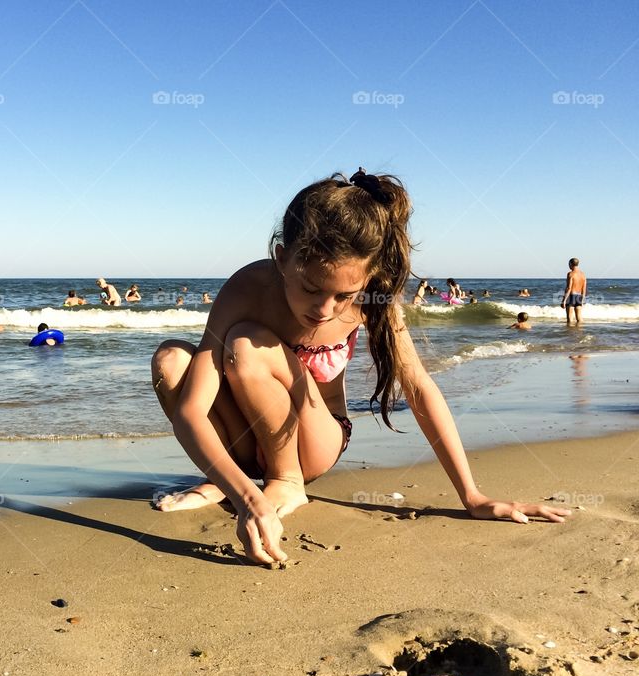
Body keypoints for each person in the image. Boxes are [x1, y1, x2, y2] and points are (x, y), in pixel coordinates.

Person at [150, 169, 569, 565]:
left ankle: (287, 482)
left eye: (345, 295)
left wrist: (472, 496)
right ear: (282, 258)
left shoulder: (374, 302)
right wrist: (244, 496)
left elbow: (419, 387)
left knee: (246, 344)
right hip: (246, 441)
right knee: (172, 359)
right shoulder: (248, 288)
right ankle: (228, 480)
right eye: (311, 288)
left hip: (316, 438)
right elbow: (191, 409)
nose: (324, 308)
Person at [560, 258, 587, 325]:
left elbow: (569, 288)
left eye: (569, 264)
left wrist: (564, 300)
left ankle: (570, 334)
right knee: (579, 318)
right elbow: (584, 289)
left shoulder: (570, 274)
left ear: (571, 264)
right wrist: (582, 300)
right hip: (579, 296)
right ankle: (580, 332)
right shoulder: (583, 275)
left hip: (571, 296)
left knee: (570, 319)